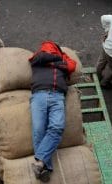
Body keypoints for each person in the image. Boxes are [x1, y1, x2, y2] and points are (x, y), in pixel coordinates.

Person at [28, 41, 76, 182]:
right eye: (47, 48)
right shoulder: (38, 57)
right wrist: (57, 60)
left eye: (53, 48)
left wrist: (58, 59)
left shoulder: (64, 58)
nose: (49, 50)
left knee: (57, 127)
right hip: (38, 96)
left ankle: (39, 163)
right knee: (38, 130)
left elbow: (72, 66)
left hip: (57, 96)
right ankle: (45, 168)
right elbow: (39, 58)